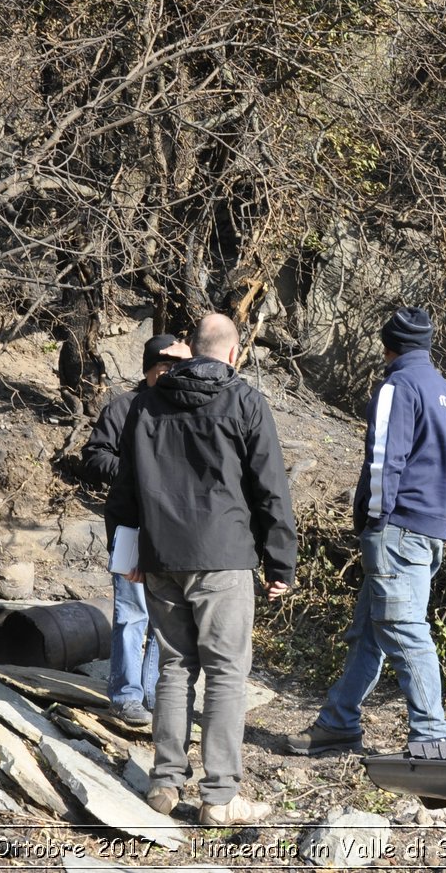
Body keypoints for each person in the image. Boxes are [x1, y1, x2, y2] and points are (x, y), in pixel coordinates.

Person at [106, 313, 297, 826]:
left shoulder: (145, 403)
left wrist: (127, 557)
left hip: (162, 556)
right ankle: (219, 797)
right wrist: (281, 560)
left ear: (191, 349)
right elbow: (270, 490)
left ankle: (165, 784)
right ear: (233, 354)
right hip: (224, 558)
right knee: (227, 673)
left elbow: (122, 491)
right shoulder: (244, 401)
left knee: (173, 667)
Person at [286, 307, 446, 755]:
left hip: (397, 529)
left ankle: (432, 737)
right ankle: (338, 723)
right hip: (430, 529)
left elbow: (386, 462)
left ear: (388, 345)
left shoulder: (398, 386)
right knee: (370, 632)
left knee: (406, 632)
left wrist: (374, 522)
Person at [80, 334, 192, 726]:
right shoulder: (123, 407)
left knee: (168, 615)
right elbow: (94, 457)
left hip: (174, 530)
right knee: (131, 611)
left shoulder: (186, 411)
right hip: (129, 525)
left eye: (174, 368)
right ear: (146, 370)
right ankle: (126, 695)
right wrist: (133, 474)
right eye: (161, 368)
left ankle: (153, 694)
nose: (167, 375)